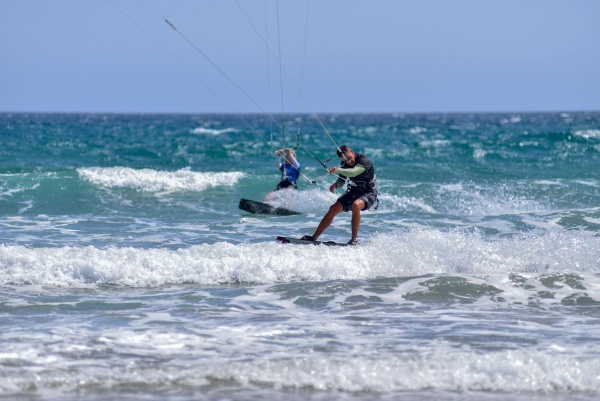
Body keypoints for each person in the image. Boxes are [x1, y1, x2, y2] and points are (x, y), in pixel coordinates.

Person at [301, 145, 378, 245]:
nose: (348, 162)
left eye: (349, 158)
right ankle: (314, 237)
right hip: (354, 191)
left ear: (351, 151)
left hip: (369, 192)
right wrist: (336, 185)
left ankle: (354, 240)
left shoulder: (364, 161)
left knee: (356, 205)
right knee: (333, 208)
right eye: (345, 160)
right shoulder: (344, 164)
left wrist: (338, 169)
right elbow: (342, 180)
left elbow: (353, 172)